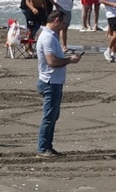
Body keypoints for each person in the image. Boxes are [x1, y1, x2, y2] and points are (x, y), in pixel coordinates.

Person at [35, 10, 82, 157]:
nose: (64, 26)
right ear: (56, 20)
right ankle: (43, 148)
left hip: (52, 81)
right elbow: (52, 62)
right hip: (50, 82)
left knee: (53, 116)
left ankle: (47, 146)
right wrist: (69, 60)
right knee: (49, 117)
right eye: (63, 22)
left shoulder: (51, 36)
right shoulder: (48, 37)